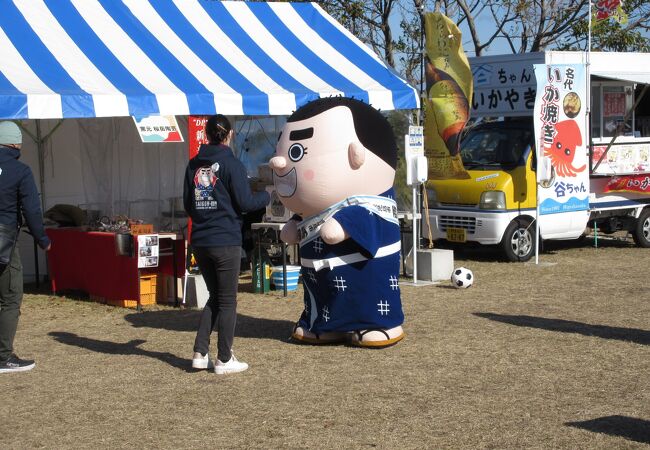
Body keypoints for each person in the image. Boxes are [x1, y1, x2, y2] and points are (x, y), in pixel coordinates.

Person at [183, 114, 269, 375]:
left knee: (216, 297)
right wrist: (267, 195)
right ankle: (224, 358)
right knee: (228, 300)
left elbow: (188, 203)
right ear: (230, 135)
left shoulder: (193, 165)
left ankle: (200, 352)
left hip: (201, 240)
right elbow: (245, 203)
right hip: (225, 241)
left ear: (206, 135)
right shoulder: (232, 164)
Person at [0, 121, 51, 374]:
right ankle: (3, 357)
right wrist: (42, 239)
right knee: (10, 298)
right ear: (15, 143)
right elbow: (31, 210)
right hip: (5, 243)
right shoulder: (20, 171)